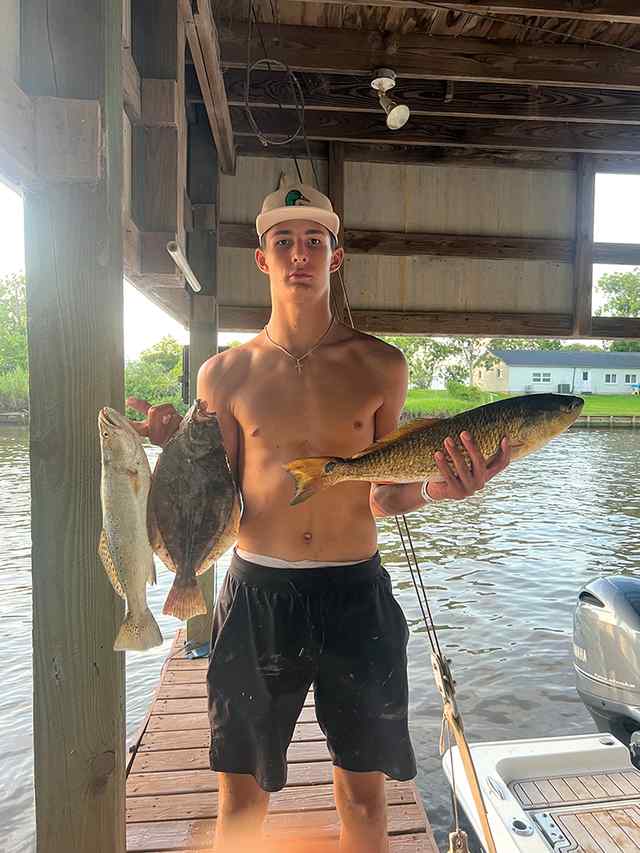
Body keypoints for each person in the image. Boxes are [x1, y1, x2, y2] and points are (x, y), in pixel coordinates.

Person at [130, 182, 511, 853]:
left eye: (314, 241)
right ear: (263, 259)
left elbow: (384, 493)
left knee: (365, 798)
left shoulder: (380, 366)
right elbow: (213, 495)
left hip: (355, 595)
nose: (299, 254)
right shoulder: (224, 374)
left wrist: (437, 491)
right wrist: (166, 451)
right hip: (257, 595)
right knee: (243, 796)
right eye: (285, 241)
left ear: (336, 257)